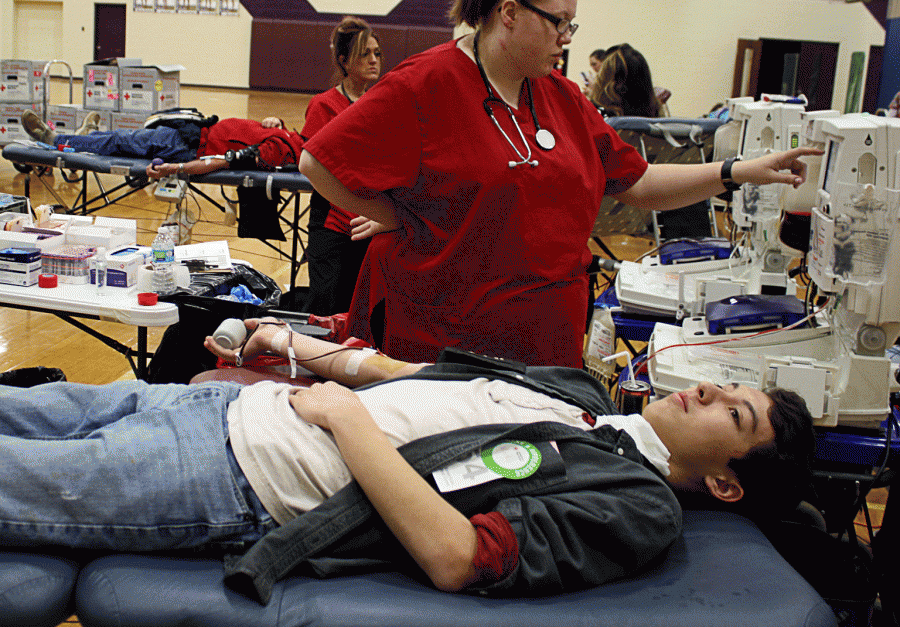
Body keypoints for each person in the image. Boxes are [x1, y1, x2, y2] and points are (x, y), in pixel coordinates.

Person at [0, 318, 815, 604]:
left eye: (731, 412)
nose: (704, 390)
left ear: (725, 482)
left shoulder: (638, 503)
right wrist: (298, 347)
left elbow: (458, 557)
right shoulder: (584, 395)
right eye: (723, 385)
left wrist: (346, 422)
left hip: (235, 478)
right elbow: (408, 377)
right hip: (208, 405)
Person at [298, 0, 822, 368]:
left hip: (546, 343)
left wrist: (739, 171)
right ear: (509, 13)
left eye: (571, 25)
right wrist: (397, 215)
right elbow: (317, 162)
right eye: (559, 22)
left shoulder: (560, 95)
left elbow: (636, 183)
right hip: (446, 342)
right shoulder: (425, 83)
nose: (567, 38)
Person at [299, 16, 383, 316]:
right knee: (326, 307)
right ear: (343, 60)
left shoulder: (385, 103)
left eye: (377, 53)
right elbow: (314, 167)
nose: (374, 60)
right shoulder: (323, 105)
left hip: (373, 219)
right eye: (365, 54)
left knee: (365, 309)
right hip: (333, 221)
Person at [20, 109, 303, 175]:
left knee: (121, 140)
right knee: (125, 138)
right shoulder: (291, 136)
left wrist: (179, 169)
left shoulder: (284, 149)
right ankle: (84, 137)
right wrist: (273, 121)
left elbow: (225, 161)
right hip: (196, 131)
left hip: (188, 148)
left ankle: (55, 139)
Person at [587, 43, 663, 117]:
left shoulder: (602, 114)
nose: (593, 68)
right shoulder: (656, 116)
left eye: (594, 64)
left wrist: (594, 94)